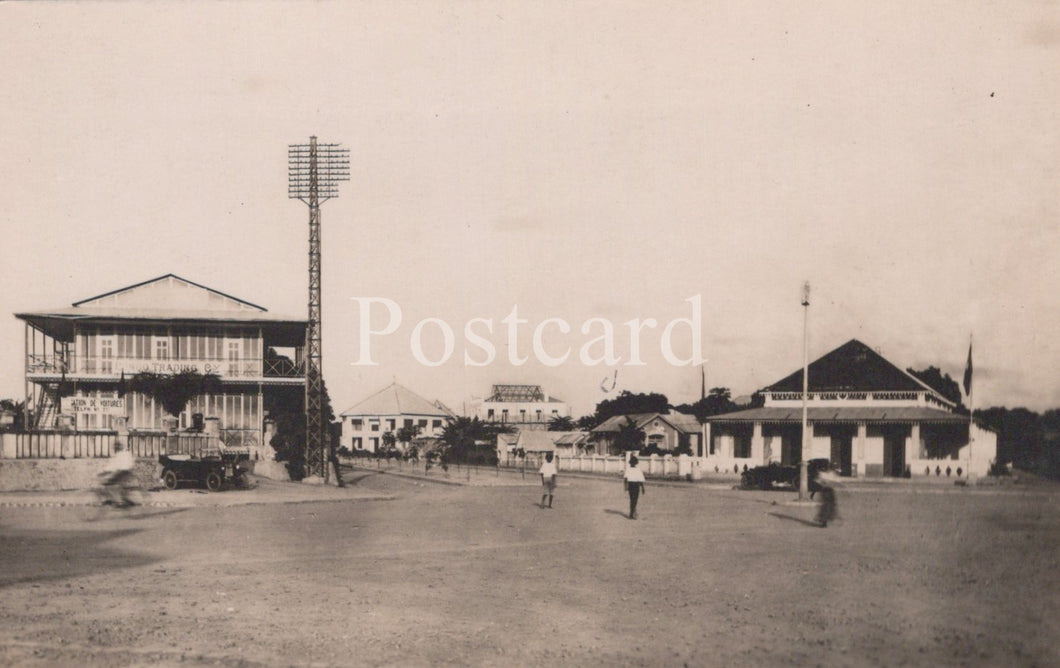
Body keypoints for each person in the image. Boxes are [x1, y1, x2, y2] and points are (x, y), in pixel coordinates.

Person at [101, 441, 138, 507]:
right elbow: (114, 465)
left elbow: (114, 465)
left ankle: (119, 501)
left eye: (115, 448)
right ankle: (123, 499)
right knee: (117, 485)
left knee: (109, 483)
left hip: (123, 471)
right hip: (124, 471)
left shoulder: (121, 454)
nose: (115, 449)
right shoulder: (125, 453)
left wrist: (105, 471)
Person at [623, 455, 646, 519]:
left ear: (635, 463)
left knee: (633, 500)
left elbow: (640, 479)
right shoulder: (629, 469)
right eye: (632, 462)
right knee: (633, 499)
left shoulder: (637, 470)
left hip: (635, 485)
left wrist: (643, 488)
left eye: (634, 463)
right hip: (633, 485)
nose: (632, 464)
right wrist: (625, 486)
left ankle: (632, 512)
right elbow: (625, 479)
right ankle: (632, 513)